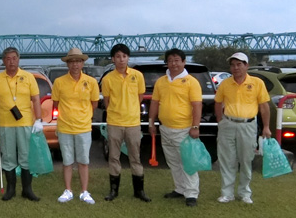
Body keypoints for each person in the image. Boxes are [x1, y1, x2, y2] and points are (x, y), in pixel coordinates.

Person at [148, 48, 203, 207]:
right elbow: (155, 103)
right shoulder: (161, 81)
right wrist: (152, 123)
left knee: (187, 162)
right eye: (170, 60)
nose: (174, 63)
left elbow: (197, 105)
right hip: (165, 128)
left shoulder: (191, 82)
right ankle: (180, 189)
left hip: (184, 129)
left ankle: (191, 193)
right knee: (173, 161)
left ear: (183, 62)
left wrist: (195, 126)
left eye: (177, 60)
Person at [214, 52, 271, 204]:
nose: (236, 68)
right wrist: (220, 121)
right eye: (233, 65)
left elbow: (264, 107)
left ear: (247, 66)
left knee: (246, 159)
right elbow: (218, 103)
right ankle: (227, 193)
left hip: (248, 125)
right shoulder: (225, 83)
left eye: (239, 64)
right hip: (228, 124)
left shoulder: (257, 83)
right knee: (227, 160)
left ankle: (244, 193)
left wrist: (266, 126)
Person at [0, 47, 43, 201]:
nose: (11, 61)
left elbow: (35, 99)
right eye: (8, 58)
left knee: (26, 156)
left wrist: (38, 119)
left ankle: (27, 189)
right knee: (8, 157)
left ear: (18, 59)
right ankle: (10, 189)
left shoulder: (28, 77)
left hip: (25, 122)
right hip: (5, 124)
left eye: (14, 58)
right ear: (3, 60)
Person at [101, 43, 150, 202]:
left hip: (133, 123)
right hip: (115, 122)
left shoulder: (138, 75)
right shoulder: (108, 79)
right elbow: (106, 102)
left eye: (124, 56)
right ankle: (113, 191)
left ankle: (139, 191)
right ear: (113, 59)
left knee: (135, 157)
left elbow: (140, 97)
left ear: (128, 57)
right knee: (113, 157)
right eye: (118, 56)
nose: (121, 59)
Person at [51, 48, 99, 204]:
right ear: (68, 64)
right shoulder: (59, 82)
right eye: (72, 61)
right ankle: (68, 190)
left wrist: (82, 116)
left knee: (84, 161)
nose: (75, 65)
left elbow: (94, 103)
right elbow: (56, 103)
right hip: (65, 127)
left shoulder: (91, 81)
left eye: (78, 61)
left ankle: (84, 191)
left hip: (84, 127)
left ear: (83, 63)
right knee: (67, 161)